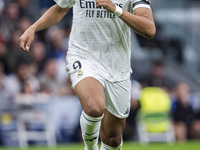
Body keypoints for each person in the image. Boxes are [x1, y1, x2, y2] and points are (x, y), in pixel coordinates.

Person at [19, 0, 156, 149]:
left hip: (117, 65)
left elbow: (149, 29)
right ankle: (90, 147)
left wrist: (116, 9)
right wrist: (32, 28)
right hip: (83, 55)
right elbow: (60, 9)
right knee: (94, 107)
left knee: (113, 139)